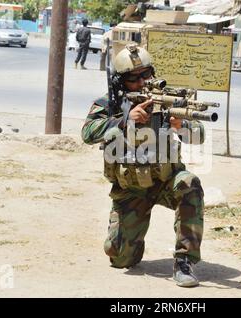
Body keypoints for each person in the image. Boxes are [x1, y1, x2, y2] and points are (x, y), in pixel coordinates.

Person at [81, 44, 205, 287]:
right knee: (119, 258)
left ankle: (184, 261)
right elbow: (87, 133)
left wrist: (182, 126)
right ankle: (132, 242)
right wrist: (126, 119)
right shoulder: (110, 103)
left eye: (146, 75)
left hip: (165, 181)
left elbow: (199, 136)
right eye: (132, 78)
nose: (141, 82)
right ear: (120, 81)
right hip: (130, 188)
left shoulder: (166, 98)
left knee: (190, 184)